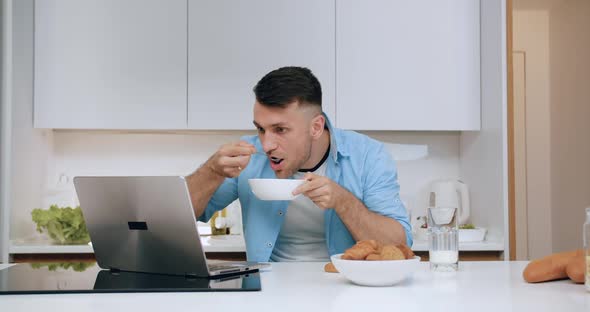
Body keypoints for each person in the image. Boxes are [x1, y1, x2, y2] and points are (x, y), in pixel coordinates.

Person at [186, 66, 411, 262]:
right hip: (268, 287)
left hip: (346, 285)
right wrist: (212, 171)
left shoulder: (368, 156)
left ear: (315, 127)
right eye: (261, 129)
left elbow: (400, 245)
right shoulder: (248, 155)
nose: (267, 145)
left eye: (280, 130)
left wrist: (343, 202)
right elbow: (183, 216)